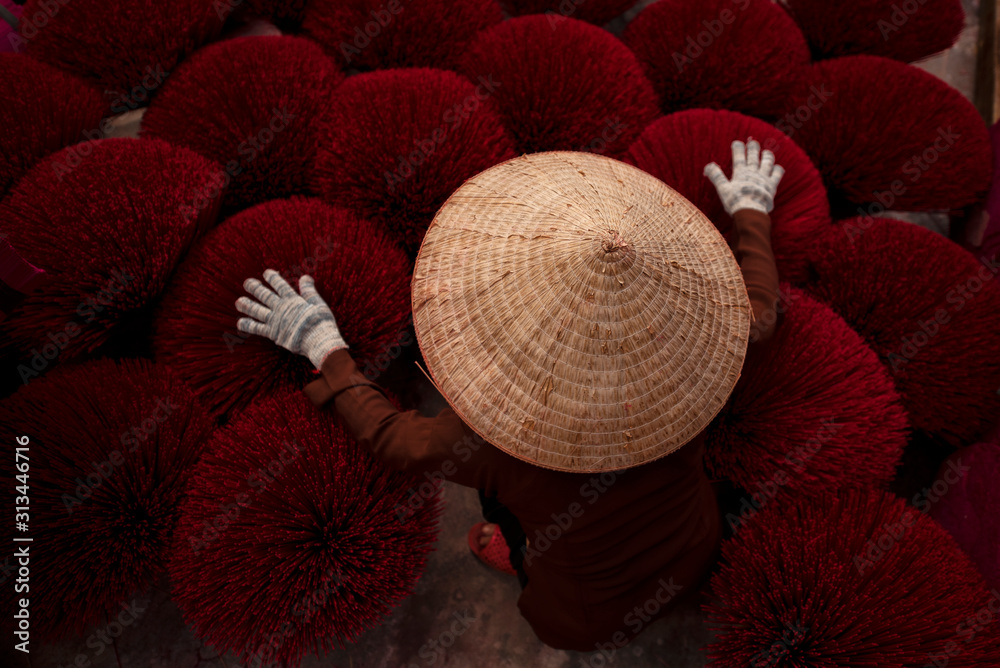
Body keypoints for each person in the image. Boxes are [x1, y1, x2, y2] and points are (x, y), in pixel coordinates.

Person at [234, 141, 784, 651]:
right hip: (696, 549)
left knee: (499, 504)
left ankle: (515, 548)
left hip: (583, 616)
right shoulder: (710, 345)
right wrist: (750, 210)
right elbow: (759, 313)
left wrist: (323, 345)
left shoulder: (491, 440)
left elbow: (394, 440)